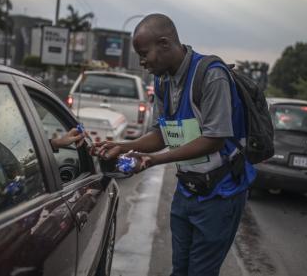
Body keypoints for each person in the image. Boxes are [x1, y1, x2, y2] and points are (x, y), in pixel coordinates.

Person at [94, 14, 256, 275]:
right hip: (187, 190)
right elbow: (162, 134)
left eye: (144, 53)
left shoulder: (211, 76)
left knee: (200, 272)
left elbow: (214, 140)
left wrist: (154, 160)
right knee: (180, 268)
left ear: (165, 43)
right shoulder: (162, 80)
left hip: (220, 195)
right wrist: (123, 146)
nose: (142, 61)